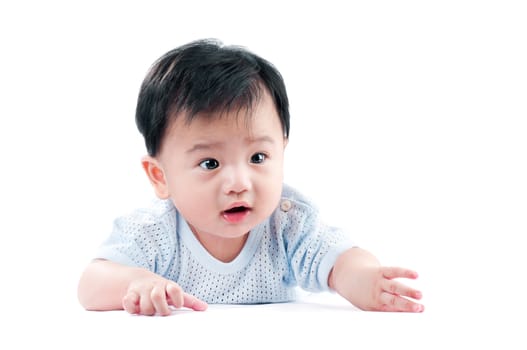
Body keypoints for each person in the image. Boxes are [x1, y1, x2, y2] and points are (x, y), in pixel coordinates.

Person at [77, 38, 424, 316]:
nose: (239, 183)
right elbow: (91, 284)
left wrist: (364, 280)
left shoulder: (287, 224)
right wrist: (137, 282)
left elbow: (339, 259)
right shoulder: (156, 232)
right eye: (210, 163)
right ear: (160, 176)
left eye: (258, 157)